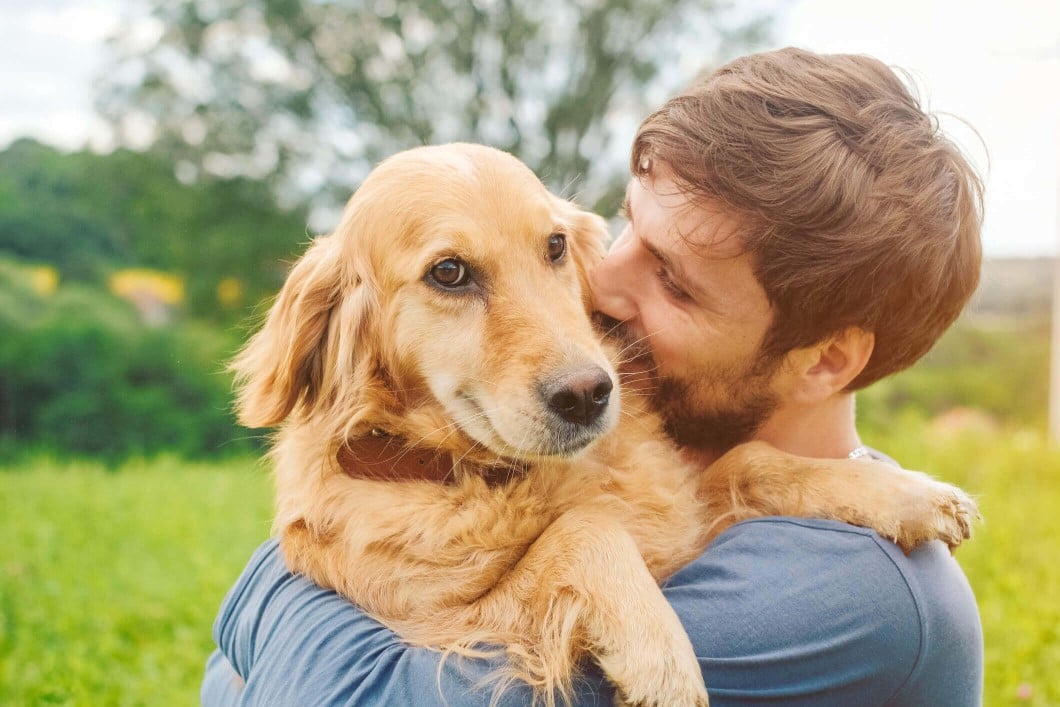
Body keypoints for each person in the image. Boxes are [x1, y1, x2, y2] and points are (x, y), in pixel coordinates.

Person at [202, 47, 984, 705]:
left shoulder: (852, 596)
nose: (596, 287)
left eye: (675, 282)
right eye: (624, 230)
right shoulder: (635, 462)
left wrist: (264, 592)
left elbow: (370, 692)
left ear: (825, 360)